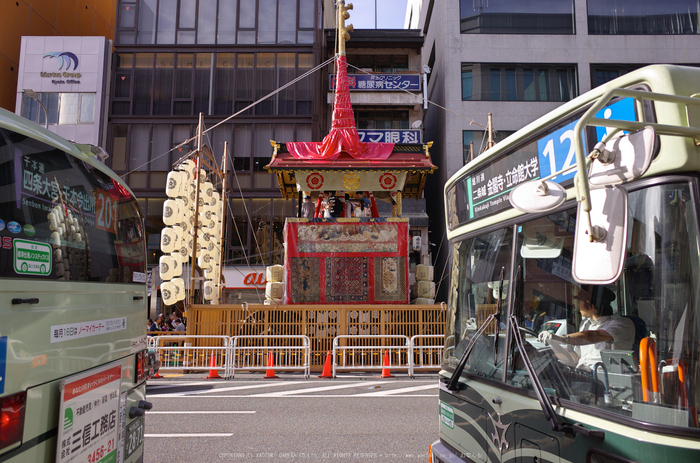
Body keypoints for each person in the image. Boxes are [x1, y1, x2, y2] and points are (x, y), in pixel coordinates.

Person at [538, 285, 635, 371]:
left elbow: (593, 336)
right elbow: (575, 359)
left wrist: (560, 338)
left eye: (580, 301)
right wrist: (553, 343)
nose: (578, 304)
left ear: (591, 307)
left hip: (605, 378)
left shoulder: (622, 324)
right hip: (584, 376)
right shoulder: (586, 324)